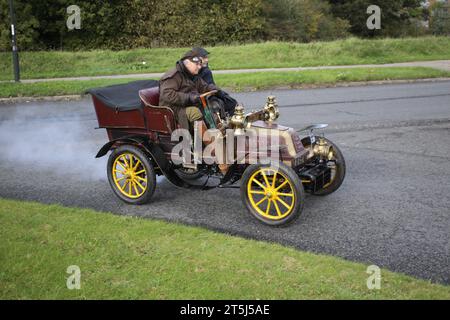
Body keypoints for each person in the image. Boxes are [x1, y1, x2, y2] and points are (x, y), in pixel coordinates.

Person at [159, 49, 218, 132]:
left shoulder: (193, 75)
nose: (199, 67)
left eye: (200, 64)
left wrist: (213, 88)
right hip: (173, 109)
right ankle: (207, 140)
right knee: (194, 112)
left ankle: (216, 130)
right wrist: (189, 98)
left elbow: (204, 87)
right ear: (187, 63)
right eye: (197, 64)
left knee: (214, 105)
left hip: (187, 104)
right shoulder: (174, 75)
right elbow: (167, 94)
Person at [193, 47, 237, 116]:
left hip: (206, 95)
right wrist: (222, 94)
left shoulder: (203, 69)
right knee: (232, 103)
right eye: (204, 58)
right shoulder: (205, 71)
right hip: (204, 97)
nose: (207, 60)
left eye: (207, 57)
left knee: (228, 100)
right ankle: (228, 124)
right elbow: (210, 88)